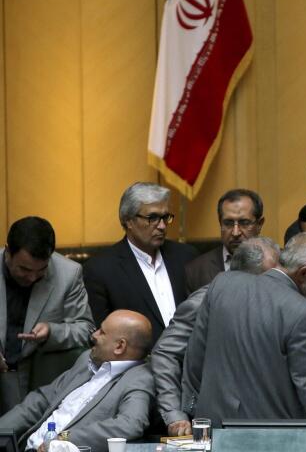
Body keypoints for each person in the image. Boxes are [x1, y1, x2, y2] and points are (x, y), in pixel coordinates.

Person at [185, 233, 306, 440]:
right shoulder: (304, 313)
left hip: (214, 429)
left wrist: (193, 410)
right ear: (304, 273)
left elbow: (195, 356)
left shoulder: (223, 283)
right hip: (272, 437)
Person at [151, 237, 280, 436]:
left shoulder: (273, 303)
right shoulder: (205, 300)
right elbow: (164, 353)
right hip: (211, 419)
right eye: (270, 276)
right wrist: (174, 413)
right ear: (246, 275)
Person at [0, 310, 154, 452]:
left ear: (120, 346)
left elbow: (129, 425)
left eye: (102, 332)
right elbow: (42, 399)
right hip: (25, 446)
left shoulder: (140, 378)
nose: (94, 335)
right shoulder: (87, 359)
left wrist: (62, 439)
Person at [0, 217, 94, 414]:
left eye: (41, 270)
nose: (32, 277)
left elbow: (86, 329)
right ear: (8, 251)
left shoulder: (68, 273)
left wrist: (52, 332)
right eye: (24, 269)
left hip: (40, 381)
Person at [83, 182, 198, 343]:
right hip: (139, 364)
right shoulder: (101, 270)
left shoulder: (186, 256)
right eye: (153, 218)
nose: (162, 226)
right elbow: (103, 336)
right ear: (128, 221)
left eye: (165, 217)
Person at [184, 189, 265, 293]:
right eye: (228, 223)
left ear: (259, 225)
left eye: (244, 223)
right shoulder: (196, 270)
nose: (235, 233)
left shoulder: (279, 265)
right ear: (220, 223)